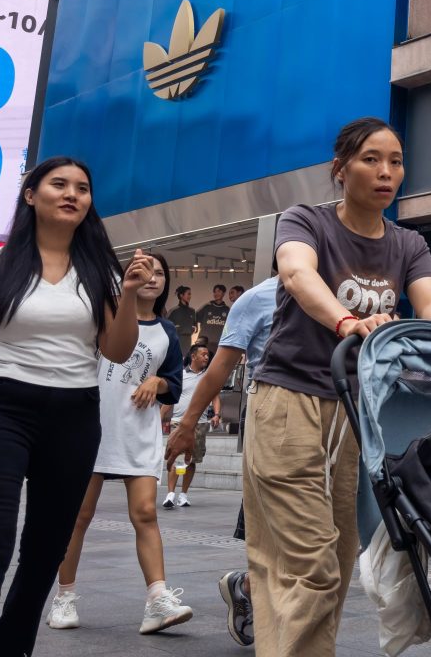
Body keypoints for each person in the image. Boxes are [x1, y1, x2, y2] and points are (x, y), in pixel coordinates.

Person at [0, 156, 153, 657]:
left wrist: (127, 296)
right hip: (0, 409)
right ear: (30, 195)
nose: (72, 194)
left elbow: (118, 351)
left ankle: (11, 646)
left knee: (45, 552)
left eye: (82, 188)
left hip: (75, 417)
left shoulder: (100, 271)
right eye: (58, 184)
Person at [241, 117, 431, 657]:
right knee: (310, 565)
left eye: (396, 161)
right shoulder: (305, 221)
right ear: (340, 170)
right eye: (371, 159)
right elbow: (297, 274)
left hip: (358, 416)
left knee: (331, 561)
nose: (386, 172)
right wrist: (346, 322)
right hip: (289, 402)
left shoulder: (408, 244)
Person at [48, 253, 193, 634]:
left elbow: (174, 383)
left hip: (137, 434)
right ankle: (64, 596)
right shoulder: (102, 318)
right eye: (144, 271)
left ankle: (158, 599)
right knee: (78, 517)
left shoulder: (167, 333)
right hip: (90, 430)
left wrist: (158, 383)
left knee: (145, 513)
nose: (152, 278)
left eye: (160, 273)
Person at [166, 271, 281, 648]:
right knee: (275, 529)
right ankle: (255, 592)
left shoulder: (338, 299)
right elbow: (220, 366)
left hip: (333, 427)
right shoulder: (256, 300)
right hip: (272, 417)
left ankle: (248, 586)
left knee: (318, 540)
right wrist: (186, 422)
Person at [162, 342, 219, 508]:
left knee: (192, 461)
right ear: (193, 356)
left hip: (199, 424)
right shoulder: (180, 375)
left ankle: (183, 495)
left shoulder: (209, 377)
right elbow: (171, 398)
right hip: (178, 422)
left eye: (208, 355)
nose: (207, 358)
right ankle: (170, 494)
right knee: (176, 458)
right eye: (204, 355)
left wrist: (216, 414)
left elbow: (215, 397)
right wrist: (160, 415)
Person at [195, 284, 231, 351]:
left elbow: (229, 328)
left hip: (219, 343)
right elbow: (195, 317)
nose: (216, 293)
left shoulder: (227, 310)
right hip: (204, 342)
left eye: (219, 291)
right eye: (215, 292)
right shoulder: (207, 307)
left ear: (223, 293)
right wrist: (194, 327)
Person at [168, 286, 197, 350]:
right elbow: (166, 326)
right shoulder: (173, 311)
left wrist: (193, 328)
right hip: (176, 341)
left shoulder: (192, 311)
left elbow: (194, 324)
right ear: (181, 295)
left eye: (190, 294)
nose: (190, 296)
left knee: (186, 359)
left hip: (188, 341)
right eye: (188, 294)